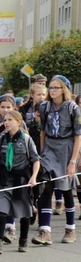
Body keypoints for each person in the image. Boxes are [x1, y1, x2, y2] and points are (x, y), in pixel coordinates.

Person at [0, 110, 41, 254]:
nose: (6, 123)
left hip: (21, 180)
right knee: (1, 209)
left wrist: (33, 177)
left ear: (19, 122)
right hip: (5, 179)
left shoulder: (26, 139)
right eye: (5, 120)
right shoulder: (3, 138)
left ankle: (23, 240)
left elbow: (35, 160)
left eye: (10, 120)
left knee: (24, 212)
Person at [33, 75, 81, 245]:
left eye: (56, 88)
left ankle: (70, 229)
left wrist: (73, 161)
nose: (52, 91)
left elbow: (78, 136)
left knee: (66, 188)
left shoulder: (72, 108)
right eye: (50, 88)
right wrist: (42, 152)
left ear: (64, 89)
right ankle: (45, 231)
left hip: (66, 149)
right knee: (46, 186)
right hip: (49, 148)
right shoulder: (45, 107)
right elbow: (43, 132)